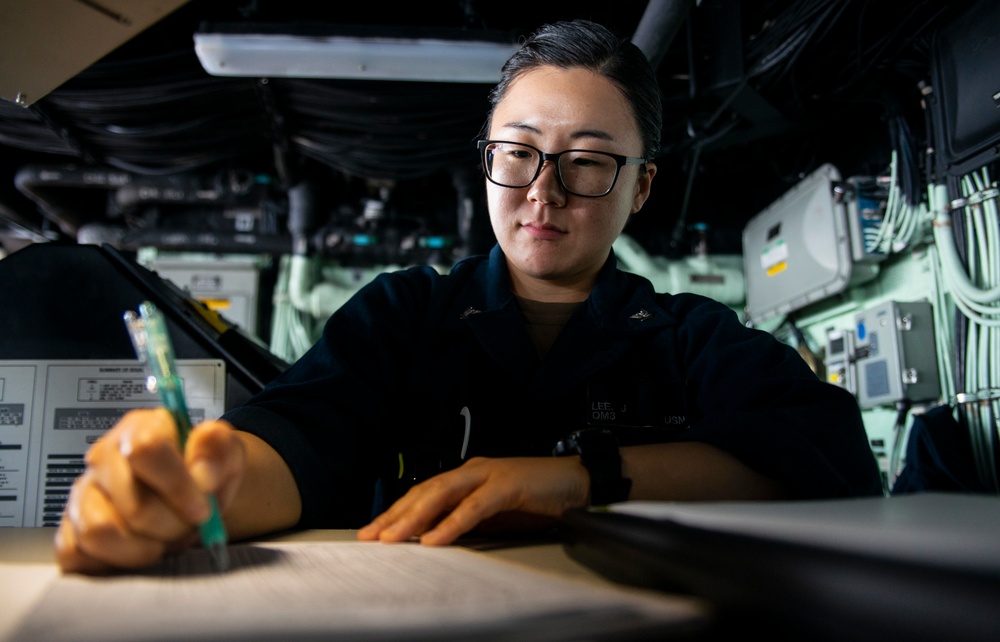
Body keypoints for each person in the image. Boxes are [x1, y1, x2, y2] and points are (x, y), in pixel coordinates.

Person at [55, 19, 883, 573]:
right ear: (486, 156)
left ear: (642, 189)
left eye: (588, 161)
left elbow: (828, 460)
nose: (543, 193)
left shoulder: (687, 337)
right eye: (518, 152)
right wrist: (205, 481)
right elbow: (300, 441)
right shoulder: (402, 315)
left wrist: (577, 479)